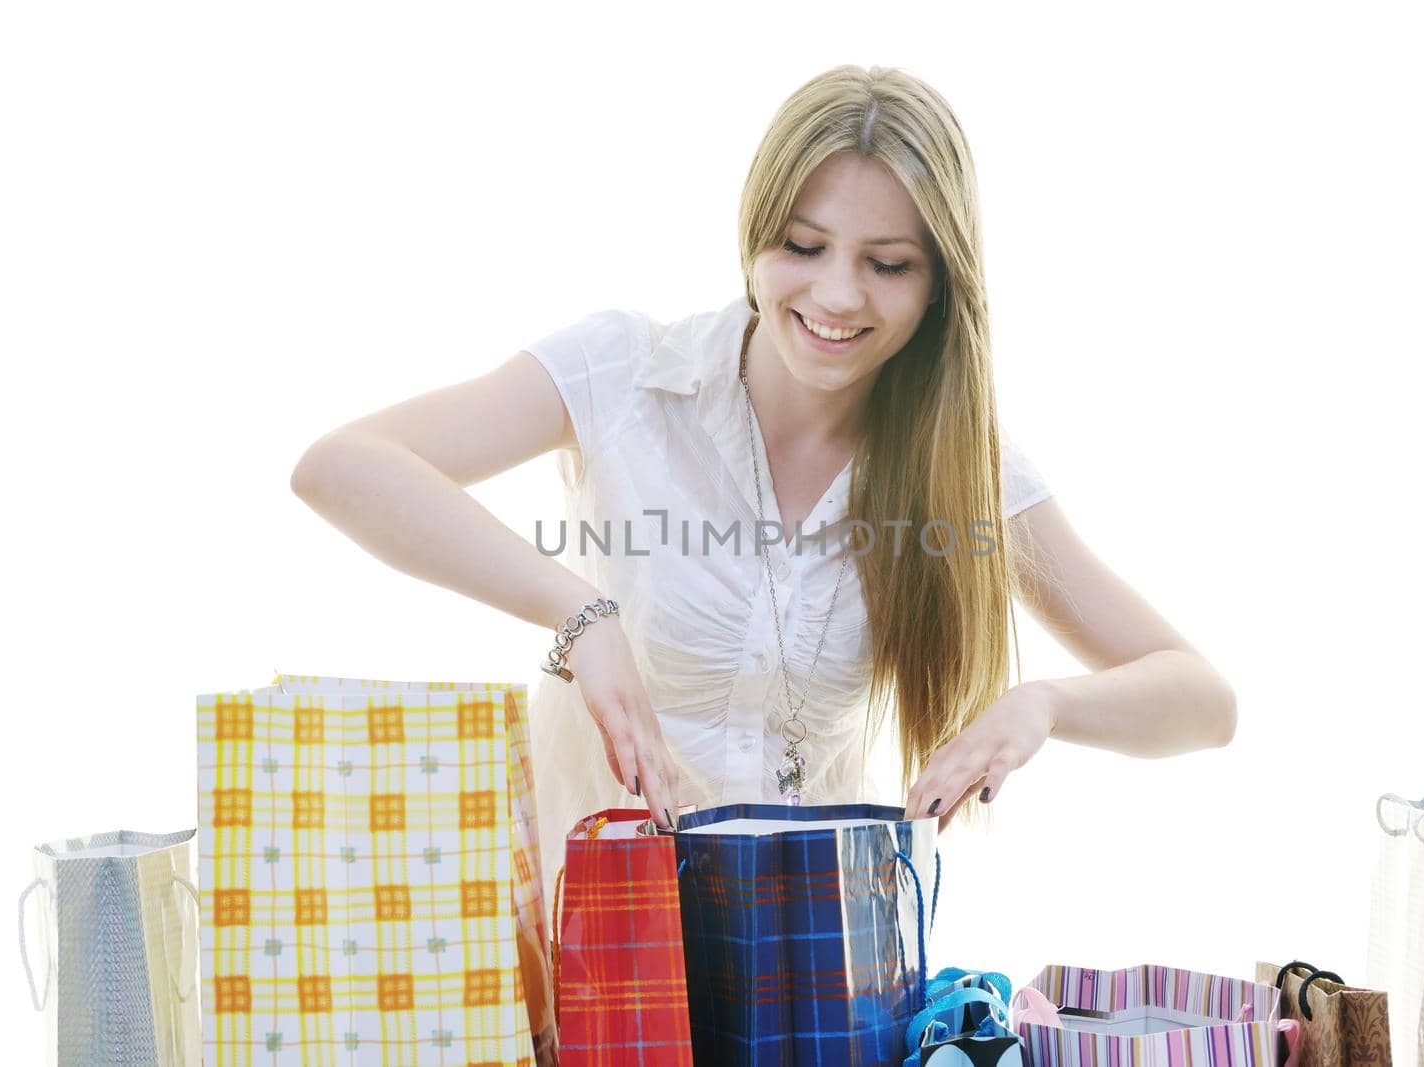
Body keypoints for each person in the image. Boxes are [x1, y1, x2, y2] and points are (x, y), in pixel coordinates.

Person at [289, 64, 1237, 907]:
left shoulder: (962, 462)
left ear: (941, 282)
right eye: (804, 244)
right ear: (755, 235)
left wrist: (1044, 706)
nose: (836, 295)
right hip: (599, 955)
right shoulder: (623, 375)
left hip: (804, 969)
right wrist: (581, 613)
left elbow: (1202, 699)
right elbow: (341, 467)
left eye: (887, 264)